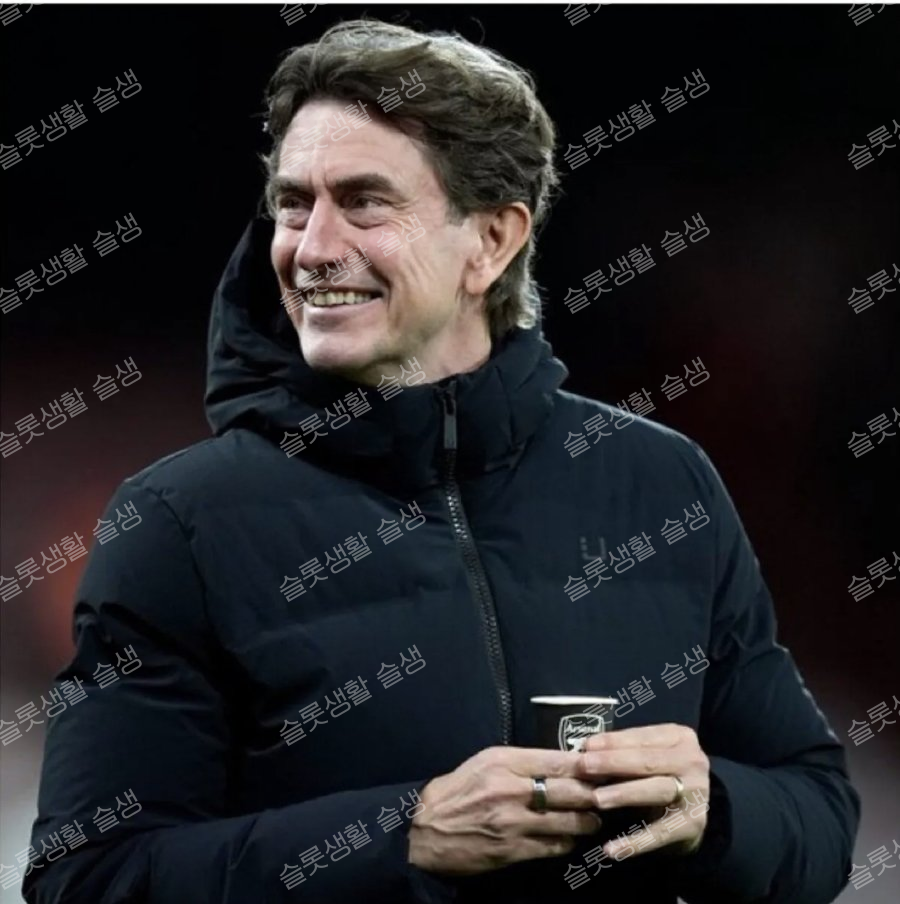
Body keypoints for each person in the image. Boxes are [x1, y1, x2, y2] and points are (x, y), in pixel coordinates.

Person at [23, 18, 859, 904]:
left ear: (491, 241)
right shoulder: (182, 521)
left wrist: (714, 810)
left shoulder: (658, 483)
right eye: (294, 203)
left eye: (364, 202)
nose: (312, 248)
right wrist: (405, 837)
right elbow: (87, 877)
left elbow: (819, 817)